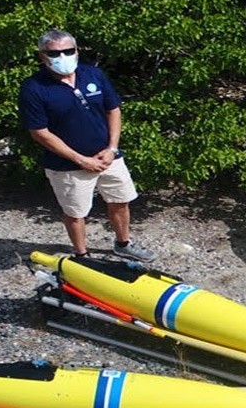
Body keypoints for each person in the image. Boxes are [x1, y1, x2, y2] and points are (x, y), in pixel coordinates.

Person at [18, 28, 156, 262]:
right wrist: (81, 160)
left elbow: (113, 109)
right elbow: (40, 133)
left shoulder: (93, 75)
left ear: (77, 51)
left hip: (108, 156)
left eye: (68, 51)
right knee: (75, 212)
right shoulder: (33, 88)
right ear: (42, 56)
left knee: (120, 200)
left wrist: (112, 148)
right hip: (68, 165)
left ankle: (123, 243)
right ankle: (82, 255)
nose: (62, 57)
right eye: (54, 53)